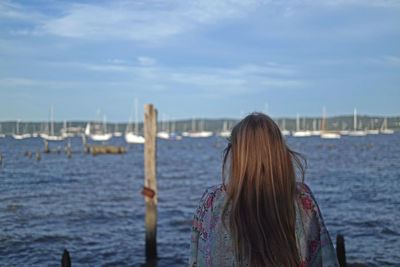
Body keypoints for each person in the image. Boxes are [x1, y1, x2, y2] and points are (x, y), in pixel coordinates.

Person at [189, 113, 338, 267]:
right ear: (279, 152)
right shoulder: (301, 199)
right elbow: (323, 258)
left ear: (237, 154)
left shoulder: (212, 201)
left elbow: (197, 259)